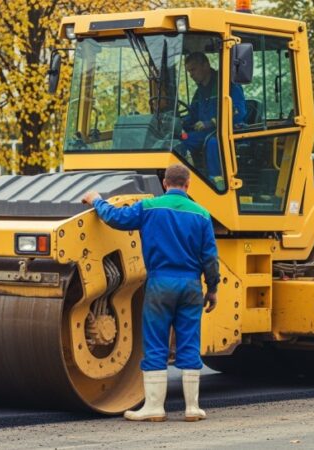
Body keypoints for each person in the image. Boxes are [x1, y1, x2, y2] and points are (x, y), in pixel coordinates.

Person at [81, 164, 220, 422]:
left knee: (156, 342)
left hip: (160, 283)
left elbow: (115, 218)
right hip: (190, 286)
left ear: (165, 184)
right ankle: (192, 408)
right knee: (189, 342)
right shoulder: (202, 214)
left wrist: (97, 201)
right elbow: (210, 258)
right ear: (188, 185)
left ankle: (155, 408)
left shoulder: (149, 207)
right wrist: (212, 288)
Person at [182, 52, 246, 187]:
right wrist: (177, 123)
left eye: (193, 70)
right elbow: (192, 115)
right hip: (205, 133)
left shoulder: (227, 85)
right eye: (189, 72)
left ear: (205, 66)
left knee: (213, 143)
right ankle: (185, 182)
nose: (191, 75)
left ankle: (217, 184)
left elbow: (238, 112)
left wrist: (211, 122)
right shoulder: (200, 91)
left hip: (229, 131)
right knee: (181, 141)